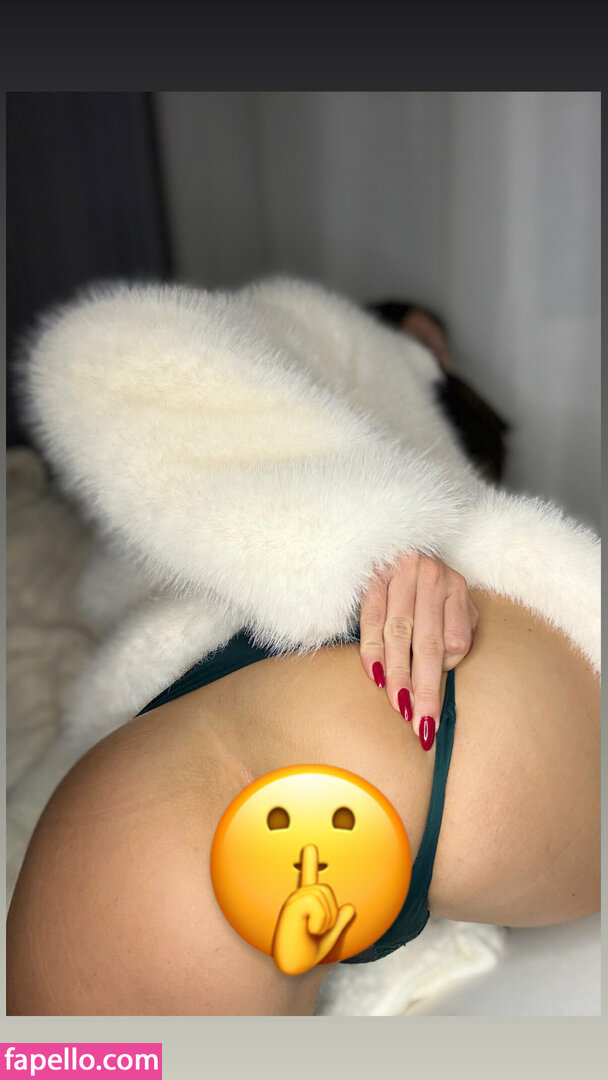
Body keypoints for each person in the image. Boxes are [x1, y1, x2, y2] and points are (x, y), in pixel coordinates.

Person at [6, 276, 600, 1015]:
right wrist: (366, 539)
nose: (437, 354)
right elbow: (105, 351)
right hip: (344, 739)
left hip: (247, 762)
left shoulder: (386, 441)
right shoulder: (340, 347)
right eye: (425, 340)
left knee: (67, 1057)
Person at [368, 300, 510, 483]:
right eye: (422, 342)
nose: (436, 356)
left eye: (440, 346)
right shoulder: (374, 407)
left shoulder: (469, 412)